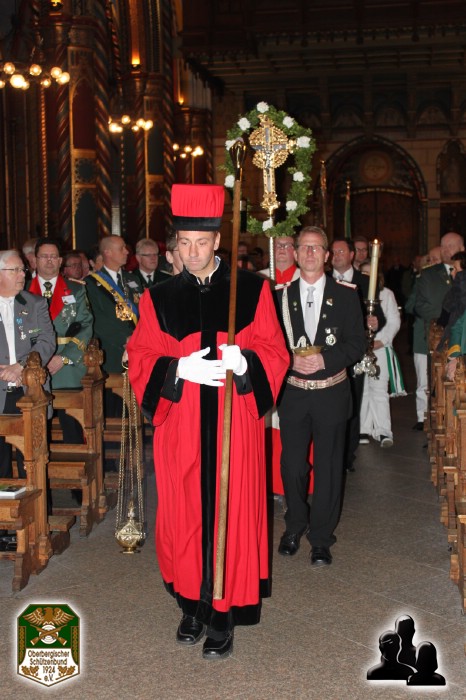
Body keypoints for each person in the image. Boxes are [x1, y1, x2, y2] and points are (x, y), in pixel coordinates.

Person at [127, 184, 289, 660]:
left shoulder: (252, 290)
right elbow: (141, 355)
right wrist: (176, 369)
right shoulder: (158, 298)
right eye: (185, 243)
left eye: (202, 242)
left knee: (229, 514)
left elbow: (275, 351)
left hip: (233, 425)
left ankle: (222, 614)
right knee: (185, 515)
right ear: (175, 244)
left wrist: (247, 363)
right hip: (182, 427)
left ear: (217, 241)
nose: (193, 252)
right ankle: (191, 606)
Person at [275, 226, 366, 566]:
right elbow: (269, 343)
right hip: (294, 394)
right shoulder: (279, 296)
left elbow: (356, 343)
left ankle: (321, 538)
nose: (310, 253)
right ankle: (295, 524)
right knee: (293, 466)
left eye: (317, 248)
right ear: (295, 254)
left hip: (331, 393)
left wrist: (325, 360)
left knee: (328, 468)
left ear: (327, 255)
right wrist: (290, 360)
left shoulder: (345, 295)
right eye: (304, 247)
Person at [28, 238, 93, 443]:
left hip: (67, 369)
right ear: (34, 260)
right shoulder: (22, 291)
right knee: (33, 432)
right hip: (32, 367)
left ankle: (75, 462)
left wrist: (63, 358)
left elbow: (85, 325)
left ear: (60, 261)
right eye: (44, 256)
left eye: (53, 256)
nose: (49, 261)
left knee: (72, 431)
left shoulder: (76, 289)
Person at [330, 237, 385, 471]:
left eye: (341, 251)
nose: (336, 256)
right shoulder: (324, 279)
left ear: (352, 255)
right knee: (331, 404)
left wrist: (375, 321)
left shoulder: (364, 281)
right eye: (333, 252)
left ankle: (347, 455)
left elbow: (378, 315)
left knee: (352, 400)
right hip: (330, 350)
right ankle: (331, 452)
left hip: (354, 351)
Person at [0, 249, 55, 478]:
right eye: (15, 270)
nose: (23, 274)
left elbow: (47, 341)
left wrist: (20, 366)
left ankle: (35, 502)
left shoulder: (35, 303)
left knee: (32, 462)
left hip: (29, 391)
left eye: (23, 269)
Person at [410, 232, 464, 429]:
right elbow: (418, 305)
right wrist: (444, 318)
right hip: (436, 335)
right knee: (434, 384)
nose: (446, 250)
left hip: (459, 338)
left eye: (451, 246)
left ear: (462, 249)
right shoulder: (429, 274)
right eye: (443, 246)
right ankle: (434, 423)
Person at [359, 263, 403, 448]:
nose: (368, 277)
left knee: (379, 389)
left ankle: (383, 430)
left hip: (380, 348)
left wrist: (381, 341)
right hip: (359, 349)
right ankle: (363, 428)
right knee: (362, 389)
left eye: (372, 273)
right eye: (364, 273)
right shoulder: (354, 294)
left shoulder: (386, 294)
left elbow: (394, 321)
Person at [85, 235, 142, 375]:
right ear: (108, 252)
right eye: (122, 248)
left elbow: (143, 312)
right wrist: (124, 338)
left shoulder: (133, 279)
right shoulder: (91, 283)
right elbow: (96, 319)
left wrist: (139, 338)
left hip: (139, 348)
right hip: (111, 350)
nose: (127, 251)